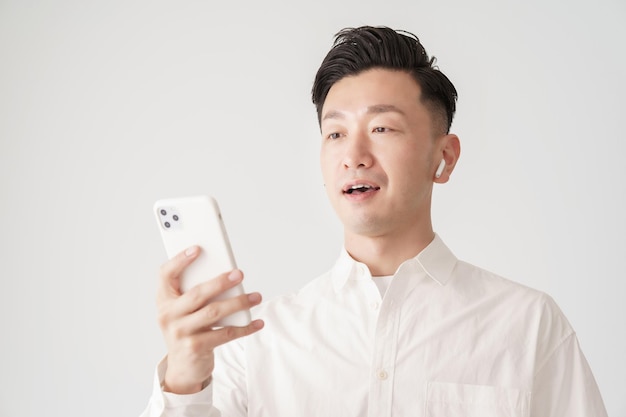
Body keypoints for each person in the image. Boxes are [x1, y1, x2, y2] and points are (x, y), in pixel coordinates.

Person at [140, 26, 607, 416]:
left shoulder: (528, 326)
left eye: (381, 128)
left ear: (443, 158)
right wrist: (184, 379)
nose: (353, 156)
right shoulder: (256, 342)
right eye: (336, 133)